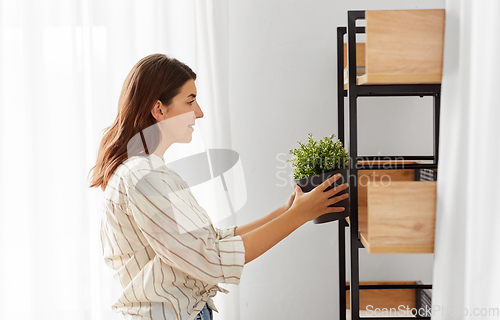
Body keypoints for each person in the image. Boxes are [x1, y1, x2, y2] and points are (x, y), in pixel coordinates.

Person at [89, 53, 349, 320]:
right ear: (159, 109)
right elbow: (211, 259)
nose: (199, 112)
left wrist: (284, 211)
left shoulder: (146, 171)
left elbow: (208, 240)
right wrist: (299, 215)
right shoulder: (144, 176)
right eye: (190, 101)